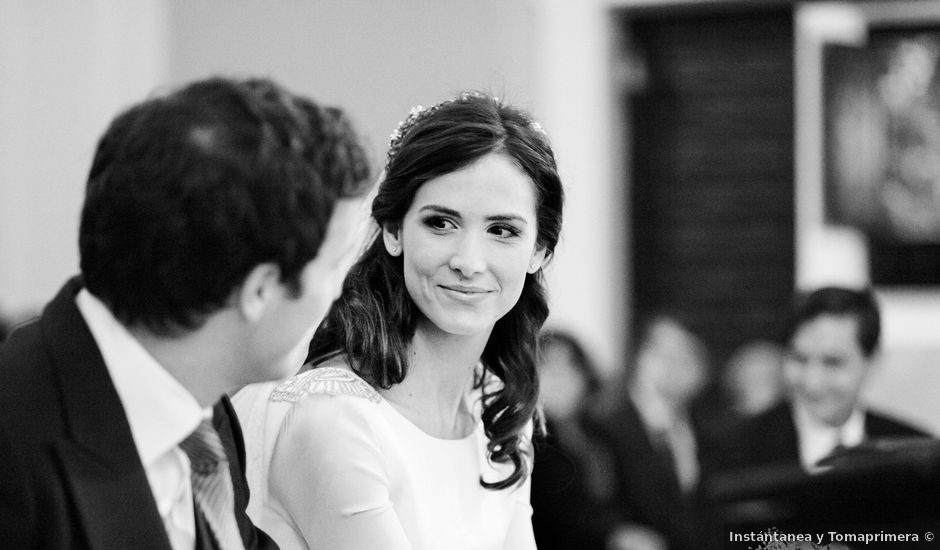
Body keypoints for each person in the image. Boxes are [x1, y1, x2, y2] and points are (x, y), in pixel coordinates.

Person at [0, 76, 374, 549]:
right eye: (336, 265)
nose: (341, 291)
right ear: (260, 290)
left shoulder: (199, 402)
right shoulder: (16, 453)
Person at [233, 92, 564, 550]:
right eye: (441, 224)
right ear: (393, 231)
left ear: (539, 251)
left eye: (501, 231)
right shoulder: (336, 418)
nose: (469, 261)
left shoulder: (497, 411)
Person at [704, 286, 930, 476]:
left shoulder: (916, 454)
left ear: (872, 362)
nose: (813, 382)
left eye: (833, 363)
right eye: (799, 359)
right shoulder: (733, 452)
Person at [590, 314, 715, 550]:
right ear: (638, 356)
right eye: (663, 353)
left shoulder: (708, 427)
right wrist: (617, 532)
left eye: (686, 355)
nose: (674, 365)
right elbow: (591, 507)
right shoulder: (604, 426)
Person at [532, 329, 659, 550]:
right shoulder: (526, 442)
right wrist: (613, 535)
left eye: (570, 367)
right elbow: (556, 516)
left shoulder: (600, 434)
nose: (560, 377)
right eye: (549, 367)